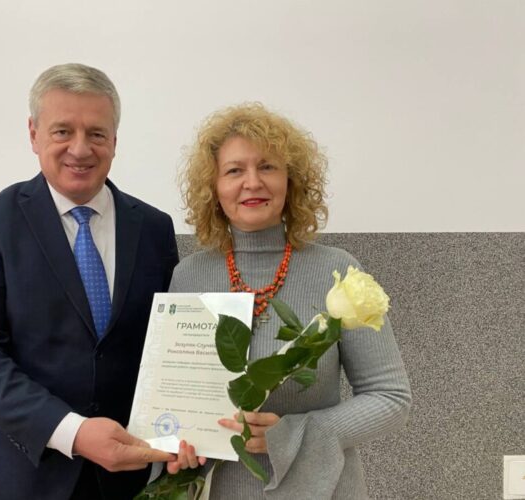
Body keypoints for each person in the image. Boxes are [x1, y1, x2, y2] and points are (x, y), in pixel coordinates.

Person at [0, 63, 178, 500]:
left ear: (115, 140)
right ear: (33, 134)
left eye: (96, 133)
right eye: (62, 131)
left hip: (129, 477)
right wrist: (73, 432)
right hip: (23, 477)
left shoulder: (153, 227)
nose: (80, 148)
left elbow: (168, 346)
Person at [167, 103, 411, 498]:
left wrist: (295, 433)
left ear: (290, 181)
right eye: (234, 170)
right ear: (213, 187)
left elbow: (391, 397)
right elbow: (178, 400)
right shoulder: (188, 276)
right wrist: (176, 444)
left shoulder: (338, 270)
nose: (252, 182)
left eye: (267, 167)